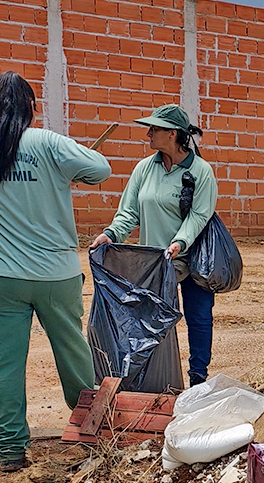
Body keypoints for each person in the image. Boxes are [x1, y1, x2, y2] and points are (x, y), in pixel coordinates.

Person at [0, 72, 112, 473]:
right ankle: (91, 432)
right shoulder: (48, 142)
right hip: (56, 274)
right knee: (73, 352)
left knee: (2, 364)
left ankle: (10, 450)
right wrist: (70, 172)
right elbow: (100, 169)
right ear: (30, 108)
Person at [90, 104, 218, 387]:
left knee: (198, 319)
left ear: (172, 134)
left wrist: (180, 242)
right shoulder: (145, 169)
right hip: (156, 263)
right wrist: (111, 234)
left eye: (154, 129)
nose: (148, 133)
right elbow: (129, 212)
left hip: (193, 257)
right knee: (154, 321)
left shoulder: (201, 171)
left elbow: (200, 214)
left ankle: (198, 378)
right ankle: (157, 382)